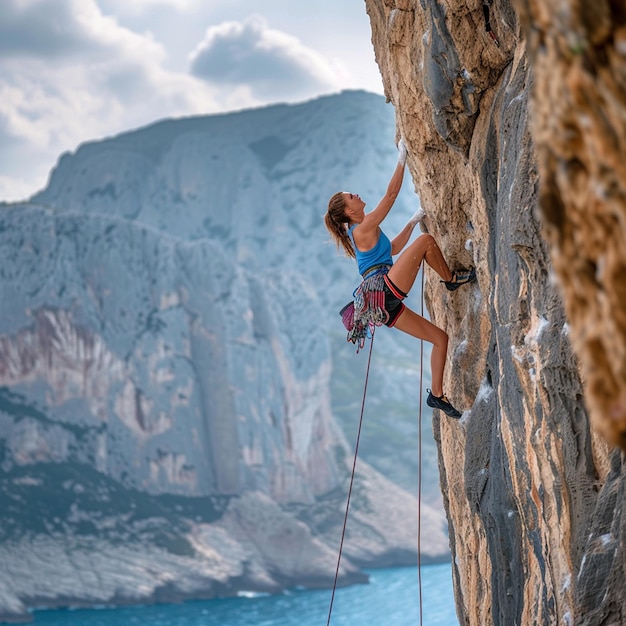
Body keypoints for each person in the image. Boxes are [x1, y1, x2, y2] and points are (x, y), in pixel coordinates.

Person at [324, 140, 475, 419]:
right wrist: (402, 158)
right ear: (349, 211)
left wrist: (412, 221)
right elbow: (392, 195)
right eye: (351, 197)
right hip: (383, 289)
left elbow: (392, 250)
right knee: (427, 241)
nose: (357, 195)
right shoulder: (361, 228)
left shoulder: (366, 232)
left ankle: (437, 395)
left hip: (383, 303)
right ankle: (451, 280)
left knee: (440, 339)